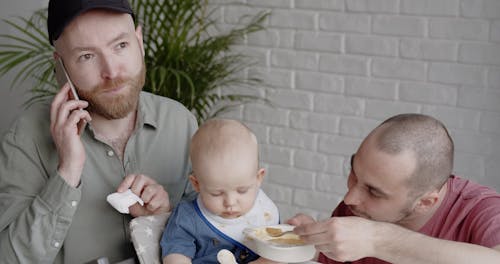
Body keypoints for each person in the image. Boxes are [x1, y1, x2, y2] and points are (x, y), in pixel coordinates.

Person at [0, 0, 197, 263]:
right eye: (87, 56)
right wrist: (67, 172)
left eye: (121, 46)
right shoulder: (28, 136)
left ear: (138, 41)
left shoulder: (180, 121)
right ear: (61, 67)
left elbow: (214, 235)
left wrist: (165, 216)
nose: (111, 71)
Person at [288, 113, 500, 263]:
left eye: (373, 191)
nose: (349, 198)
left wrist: (377, 240)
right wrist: (311, 246)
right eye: (353, 172)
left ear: (425, 202)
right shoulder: (357, 209)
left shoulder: (483, 211)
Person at [160, 119, 280, 264]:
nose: (230, 203)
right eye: (216, 193)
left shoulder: (263, 210)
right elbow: (175, 254)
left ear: (258, 178)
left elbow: (278, 252)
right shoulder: (188, 218)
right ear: (196, 184)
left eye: (242, 191)